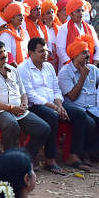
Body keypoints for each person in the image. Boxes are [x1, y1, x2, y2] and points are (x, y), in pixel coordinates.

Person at [0, 39, 50, 161]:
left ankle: (24, 158)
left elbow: (23, 92)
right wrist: (10, 108)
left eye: (4, 51)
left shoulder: (13, 70)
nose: (4, 55)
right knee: (11, 125)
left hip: (18, 111)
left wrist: (24, 104)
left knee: (43, 128)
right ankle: (10, 161)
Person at [58, 36, 99, 164]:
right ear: (74, 55)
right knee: (90, 123)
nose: (88, 54)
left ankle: (90, 152)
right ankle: (80, 154)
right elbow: (72, 96)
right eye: (84, 52)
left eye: (88, 51)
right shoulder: (65, 72)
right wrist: (83, 76)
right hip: (75, 107)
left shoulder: (93, 69)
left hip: (93, 107)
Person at [17, 37, 72, 174]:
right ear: (31, 53)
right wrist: (55, 108)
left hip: (54, 104)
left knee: (80, 114)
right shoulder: (23, 68)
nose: (45, 53)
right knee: (52, 116)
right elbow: (30, 95)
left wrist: (59, 104)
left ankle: (75, 155)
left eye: (46, 50)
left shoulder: (49, 67)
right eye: (41, 51)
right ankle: (50, 159)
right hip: (34, 106)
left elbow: (56, 89)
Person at [53, 0, 99, 68]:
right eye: (78, 11)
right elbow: (60, 49)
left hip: (87, 67)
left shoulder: (90, 28)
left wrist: (94, 64)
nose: (81, 13)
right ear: (71, 14)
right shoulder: (64, 28)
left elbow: (96, 47)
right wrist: (72, 65)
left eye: (82, 11)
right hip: (68, 67)